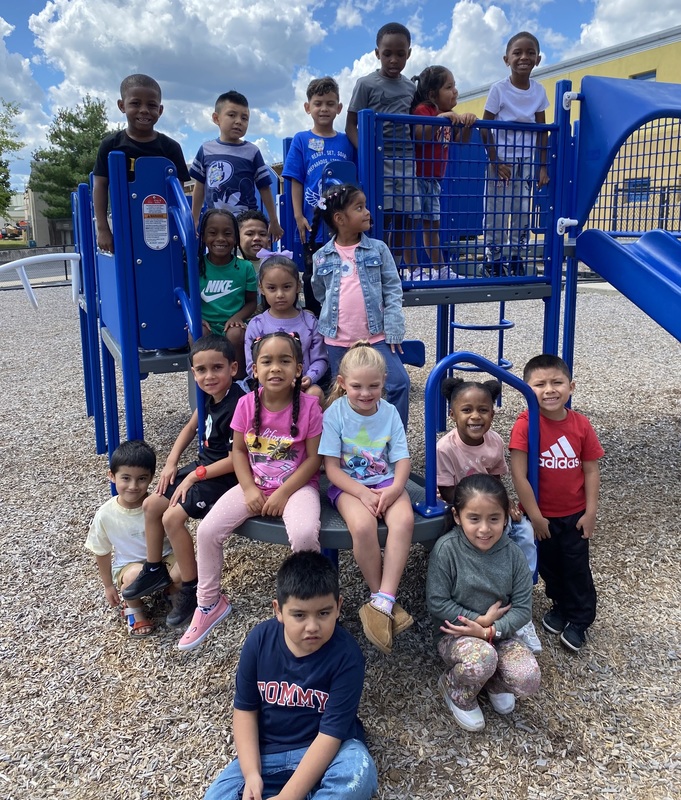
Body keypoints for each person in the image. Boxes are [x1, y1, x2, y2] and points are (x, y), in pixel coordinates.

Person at [179, 332, 324, 651]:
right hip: (254, 484)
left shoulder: (310, 406)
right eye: (267, 361)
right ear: (254, 370)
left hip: (295, 487)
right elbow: (240, 454)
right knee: (207, 531)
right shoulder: (246, 405)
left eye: (285, 361)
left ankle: (308, 606)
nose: (276, 368)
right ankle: (209, 603)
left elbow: (314, 459)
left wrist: (284, 493)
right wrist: (247, 488)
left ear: (298, 369)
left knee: (303, 535)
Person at [203, 551, 378, 800]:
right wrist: (252, 774)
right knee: (216, 795)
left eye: (324, 613)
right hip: (267, 753)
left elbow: (331, 735)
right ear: (278, 610)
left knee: (358, 771)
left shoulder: (347, 656)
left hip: (329, 750)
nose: (312, 626)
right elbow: (245, 711)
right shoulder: (259, 641)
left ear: (338, 607)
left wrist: (289, 796)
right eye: (299, 615)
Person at [121, 336, 245, 627]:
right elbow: (191, 427)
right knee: (152, 504)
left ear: (234, 368)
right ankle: (154, 569)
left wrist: (193, 475)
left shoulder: (239, 402)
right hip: (202, 469)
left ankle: (190, 586)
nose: (209, 376)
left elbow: (238, 459)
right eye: (201, 370)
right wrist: (172, 462)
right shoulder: (207, 397)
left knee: (173, 518)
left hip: (224, 476)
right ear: (193, 374)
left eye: (217, 368)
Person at [319, 343, 414, 655]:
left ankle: (383, 600)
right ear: (343, 382)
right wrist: (360, 493)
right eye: (357, 386)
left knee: (404, 520)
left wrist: (395, 489)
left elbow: (401, 459)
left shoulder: (388, 413)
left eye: (373, 386)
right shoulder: (335, 414)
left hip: (384, 481)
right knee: (362, 527)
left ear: (384, 381)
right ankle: (381, 597)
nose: (365, 393)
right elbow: (331, 469)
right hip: (348, 485)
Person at [426, 474, 541, 732]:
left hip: (500, 634)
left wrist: (491, 630)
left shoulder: (512, 555)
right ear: (457, 516)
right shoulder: (447, 550)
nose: (484, 529)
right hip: (457, 635)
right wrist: (479, 621)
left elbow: (523, 608)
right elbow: (437, 602)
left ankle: (493, 683)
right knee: (482, 659)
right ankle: (457, 691)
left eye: (494, 519)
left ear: (506, 516)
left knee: (528, 677)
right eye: (474, 519)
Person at [436, 376, 542, 653]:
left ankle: (521, 592)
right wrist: (477, 507)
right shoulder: (445, 448)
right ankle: (497, 586)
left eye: (483, 410)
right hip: (464, 507)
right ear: (452, 414)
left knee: (526, 532)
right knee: (499, 535)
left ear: (493, 413)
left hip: (491, 507)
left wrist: (504, 504)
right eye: (467, 410)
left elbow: (496, 478)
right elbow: (447, 491)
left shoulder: (494, 441)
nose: (475, 416)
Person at [510, 354, 604, 653]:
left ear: (571, 386)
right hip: (542, 516)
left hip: (574, 514)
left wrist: (590, 512)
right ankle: (561, 605)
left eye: (557, 382)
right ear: (526, 389)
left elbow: (590, 469)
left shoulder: (580, 425)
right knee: (549, 565)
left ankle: (580, 618)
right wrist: (535, 517)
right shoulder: (525, 426)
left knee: (575, 566)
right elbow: (519, 475)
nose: (549, 389)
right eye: (539, 384)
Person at [310, 183, 410, 429]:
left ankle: (393, 440)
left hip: (375, 337)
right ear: (340, 218)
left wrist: (394, 326)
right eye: (360, 208)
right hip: (337, 340)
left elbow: (393, 289)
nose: (367, 212)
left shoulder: (378, 249)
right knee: (342, 394)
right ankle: (349, 446)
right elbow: (320, 292)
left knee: (399, 383)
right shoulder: (321, 256)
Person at [85, 440, 180, 637]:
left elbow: (177, 534)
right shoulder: (105, 514)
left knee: (184, 570)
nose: (133, 486)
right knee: (133, 576)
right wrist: (108, 585)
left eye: (142, 479)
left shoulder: (158, 504)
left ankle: (172, 592)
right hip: (130, 566)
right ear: (112, 476)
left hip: (164, 558)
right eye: (126, 478)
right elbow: (101, 551)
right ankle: (135, 608)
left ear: (152, 478)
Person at [345, 22, 420, 269]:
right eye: (387, 53)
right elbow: (351, 126)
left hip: (406, 160)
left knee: (404, 218)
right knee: (378, 217)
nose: (393, 60)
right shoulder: (366, 84)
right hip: (379, 160)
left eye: (400, 54)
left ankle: (394, 268)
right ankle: (373, 266)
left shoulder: (410, 87)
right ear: (377, 53)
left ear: (408, 54)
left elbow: (415, 122)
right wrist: (366, 154)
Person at [93, 74, 190, 254]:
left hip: (160, 224)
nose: (144, 110)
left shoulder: (170, 148)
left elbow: (179, 192)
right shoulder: (112, 145)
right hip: (124, 222)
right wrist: (103, 228)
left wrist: (180, 228)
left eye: (151, 105)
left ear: (160, 110)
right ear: (122, 106)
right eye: (135, 103)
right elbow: (100, 184)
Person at [482, 32, 550, 277]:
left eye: (530, 53)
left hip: (526, 160)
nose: (524, 57)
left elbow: (543, 131)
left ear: (538, 59)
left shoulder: (539, 92)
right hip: (502, 161)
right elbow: (485, 126)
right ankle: (493, 259)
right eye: (517, 53)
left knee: (522, 210)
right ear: (506, 59)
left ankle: (516, 256)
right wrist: (495, 160)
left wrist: (542, 166)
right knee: (497, 210)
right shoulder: (499, 90)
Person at [190, 90, 284, 240]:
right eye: (232, 115)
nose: (239, 121)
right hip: (215, 222)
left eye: (244, 118)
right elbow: (199, 186)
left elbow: (264, 188)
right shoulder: (206, 150)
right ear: (216, 118)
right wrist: (194, 219)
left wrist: (273, 220)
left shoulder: (252, 152)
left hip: (246, 224)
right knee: (218, 256)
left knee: (246, 259)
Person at [410, 65, 476, 276]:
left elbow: (461, 141)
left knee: (433, 226)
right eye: (449, 87)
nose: (455, 91)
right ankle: (411, 269)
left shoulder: (448, 116)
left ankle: (440, 269)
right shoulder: (424, 110)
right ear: (432, 94)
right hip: (417, 178)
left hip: (434, 181)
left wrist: (466, 123)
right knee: (409, 226)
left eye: (454, 86)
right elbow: (419, 134)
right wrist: (439, 119)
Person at [282, 76, 356, 246]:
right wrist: (298, 216)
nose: (324, 109)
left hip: (344, 224)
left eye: (330, 104)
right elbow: (296, 180)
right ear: (307, 108)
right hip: (313, 224)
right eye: (318, 103)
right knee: (315, 269)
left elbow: (355, 180)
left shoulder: (347, 141)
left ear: (339, 108)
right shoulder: (301, 139)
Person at [245, 255, 328, 400]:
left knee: (315, 394)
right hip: (268, 387)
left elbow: (320, 359)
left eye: (287, 287)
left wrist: (309, 378)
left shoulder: (310, 322)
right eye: (272, 288)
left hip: (302, 386)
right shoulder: (256, 324)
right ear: (261, 289)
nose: (280, 294)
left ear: (298, 286)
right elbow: (251, 364)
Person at [198, 208, 258, 379]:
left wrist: (238, 317)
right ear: (203, 236)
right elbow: (186, 300)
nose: (220, 239)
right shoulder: (196, 266)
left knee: (236, 333)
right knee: (198, 331)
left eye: (227, 233)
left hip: (232, 324)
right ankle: (206, 388)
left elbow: (251, 302)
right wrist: (196, 318)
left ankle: (238, 384)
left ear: (236, 238)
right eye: (212, 233)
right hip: (206, 324)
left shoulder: (245, 267)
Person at [236, 209, 270, 275]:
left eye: (262, 234)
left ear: (269, 242)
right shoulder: (233, 266)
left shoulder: (274, 265)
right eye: (250, 234)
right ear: (237, 240)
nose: (257, 238)